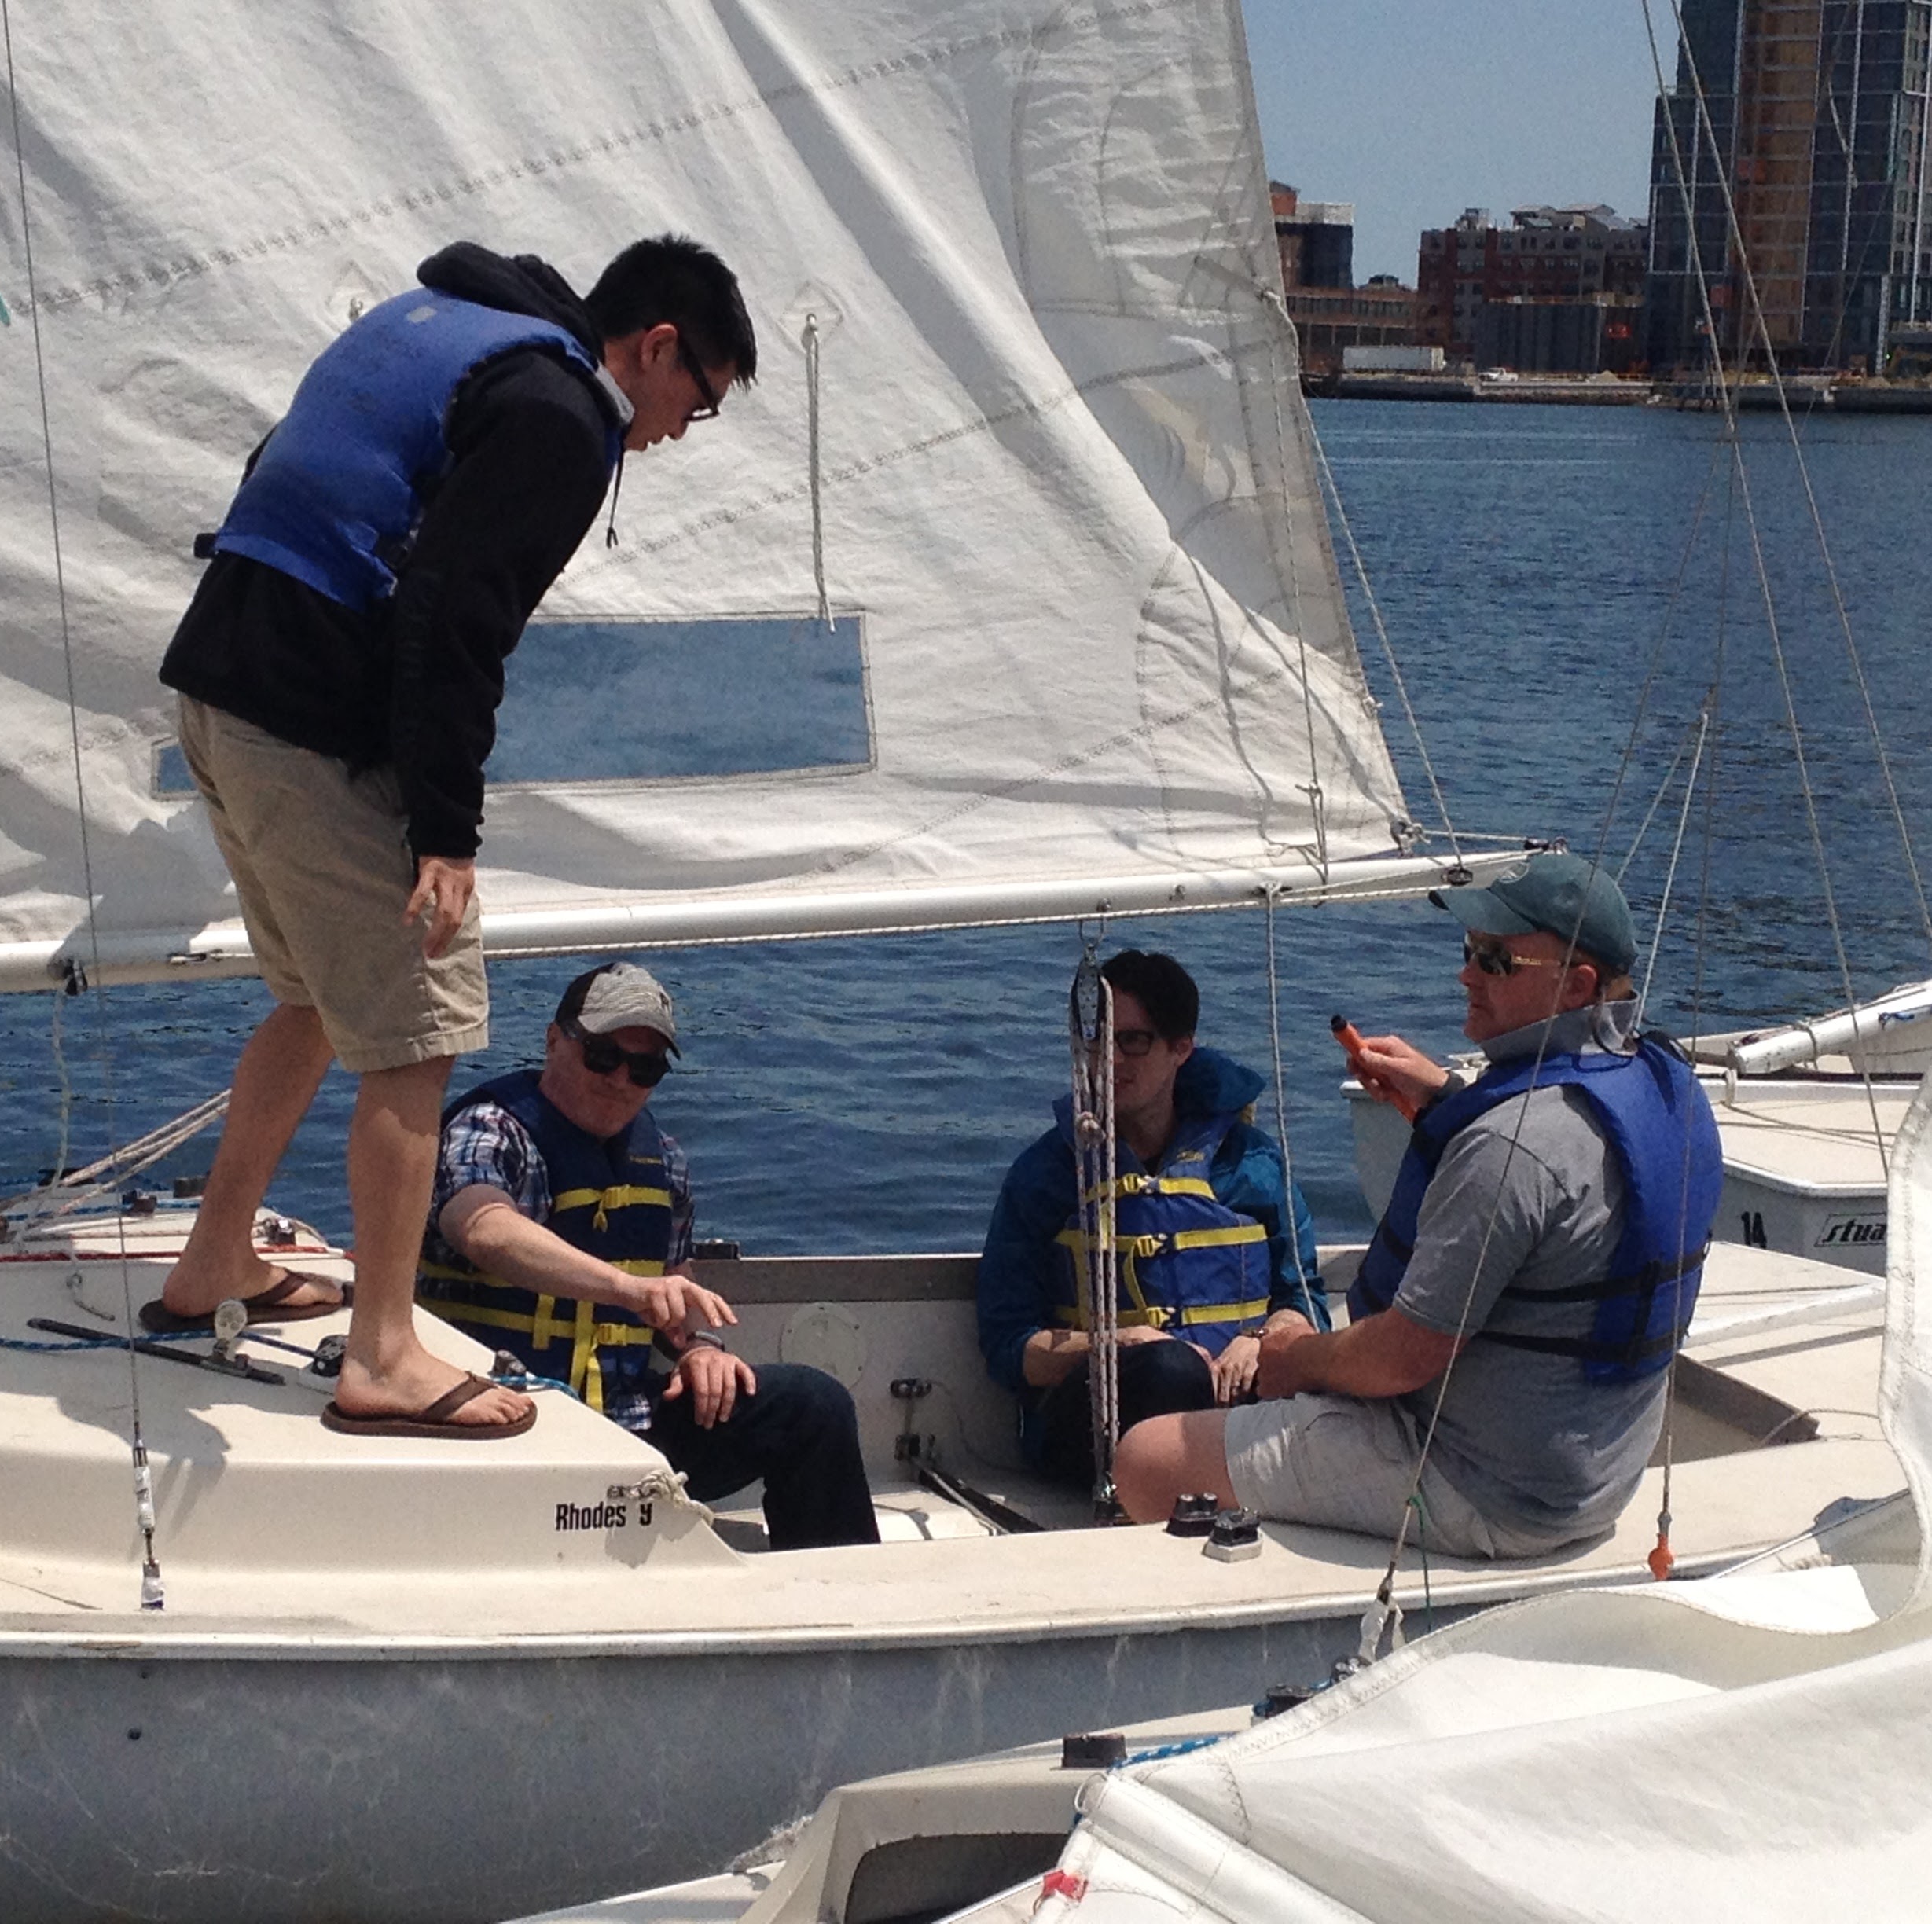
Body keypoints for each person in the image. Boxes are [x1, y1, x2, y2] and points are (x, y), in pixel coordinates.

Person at [141, 237, 756, 1438]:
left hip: (220, 687)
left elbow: (291, 475)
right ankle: (383, 1355)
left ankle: (214, 1262)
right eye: (699, 404)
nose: (679, 433)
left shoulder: (438, 317)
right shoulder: (561, 418)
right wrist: (445, 833)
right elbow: (456, 615)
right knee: (421, 1031)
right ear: (658, 348)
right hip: (306, 724)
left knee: (314, 999)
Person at [1116, 855, 1725, 1559]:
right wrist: (1445, 1101)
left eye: (1496, 960)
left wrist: (1295, 1360)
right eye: (1469, 949)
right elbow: (1565, 1177)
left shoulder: (1509, 1148)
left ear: (1577, 984)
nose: (1466, 975)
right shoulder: (1668, 1087)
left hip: (1479, 1485)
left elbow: (1401, 1359)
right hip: (1593, 1478)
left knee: (1147, 1457)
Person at [415, 963, 880, 1548]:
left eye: (645, 1068)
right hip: (499, 1416)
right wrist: (629, 1290)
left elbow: (675, 1289)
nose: (621, 1080)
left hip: (626, 1425)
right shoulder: (490, 1131)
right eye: (603, 1056)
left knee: (812, 1406)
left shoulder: (663, 1160)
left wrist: (699, 1349)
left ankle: (838, 1588)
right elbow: (482, 1227)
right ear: (555, 1041)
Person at [976, 950, 1325, 1489]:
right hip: (1095, 1423)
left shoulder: (1251, 1164)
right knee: (1169, 1369)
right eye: (1097, 1039)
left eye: (1133, 1041)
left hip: (1235, 1417)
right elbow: (1007, 1344)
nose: (1109, 1058)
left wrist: (1262, 1339)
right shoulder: (1047, 1174)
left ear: (1180, 1048)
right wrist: (1118, 1344)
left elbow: (1303, 1299)